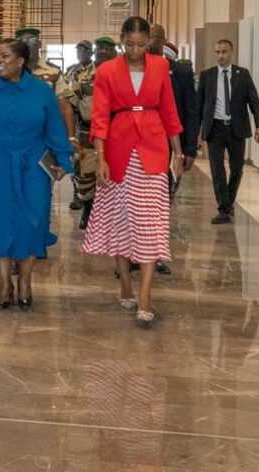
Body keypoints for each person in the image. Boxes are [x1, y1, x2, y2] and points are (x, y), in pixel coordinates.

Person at [83, 17, 184, 326]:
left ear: (148, 41)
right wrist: (100, 157)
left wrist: (178, 152)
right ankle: (125, 279)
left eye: (141, 44)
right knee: (121, 218)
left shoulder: (160, 67)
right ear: (121, 40)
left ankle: (145, 295)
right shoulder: (107, 71)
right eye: (130, 44)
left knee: (151, 222)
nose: (136, 51)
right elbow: (100, 117)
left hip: (153, 148)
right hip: (118, 149)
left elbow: (169, 111)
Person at [0, 38, 70, 310]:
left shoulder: (42, 91)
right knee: (0, 223)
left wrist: (64, 161)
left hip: (33, 168)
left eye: (5, 56)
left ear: (21, 61)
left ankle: (25, 281)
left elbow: (55, 129)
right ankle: (4, 283)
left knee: (31, 224)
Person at [147, 23, 198, 276]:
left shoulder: (180, 72)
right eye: (146, 37)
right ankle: (133, 253)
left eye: (153, 37)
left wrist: (189, 149)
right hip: (138, 143)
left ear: (163, 40)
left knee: (160, 200)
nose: (149, 42)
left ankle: (154, 254)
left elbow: (191, 111)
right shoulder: (135, 68)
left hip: (168, 143)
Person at [198, 39, 259, 224]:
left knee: (237, 168)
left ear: (231, 53)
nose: (220, 55)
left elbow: (254, 100)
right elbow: (199, 105)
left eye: (224, 51)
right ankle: (223, 209)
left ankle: (228, 201)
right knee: (217, 169)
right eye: (217, 52)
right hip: (215, 128)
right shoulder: (207, 76)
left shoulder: (242, 75)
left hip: (236, 128)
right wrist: (194, 132)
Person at [62, 40, 98, 228]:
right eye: (78, 51)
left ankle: (95, 208)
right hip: (79, 125)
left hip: (98, 126)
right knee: (79, 166)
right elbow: (65, 97)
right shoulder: (70, 71)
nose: (80, 54)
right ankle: (82, 199)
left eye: (84, 51)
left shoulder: (98, 71)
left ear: (91, 53)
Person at [16, 27, 66, 99]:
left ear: (39, 44)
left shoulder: (54, 72)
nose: (27, 45)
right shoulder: (12, 72)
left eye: (31, 40)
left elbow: (64, 104)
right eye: (23, 42)